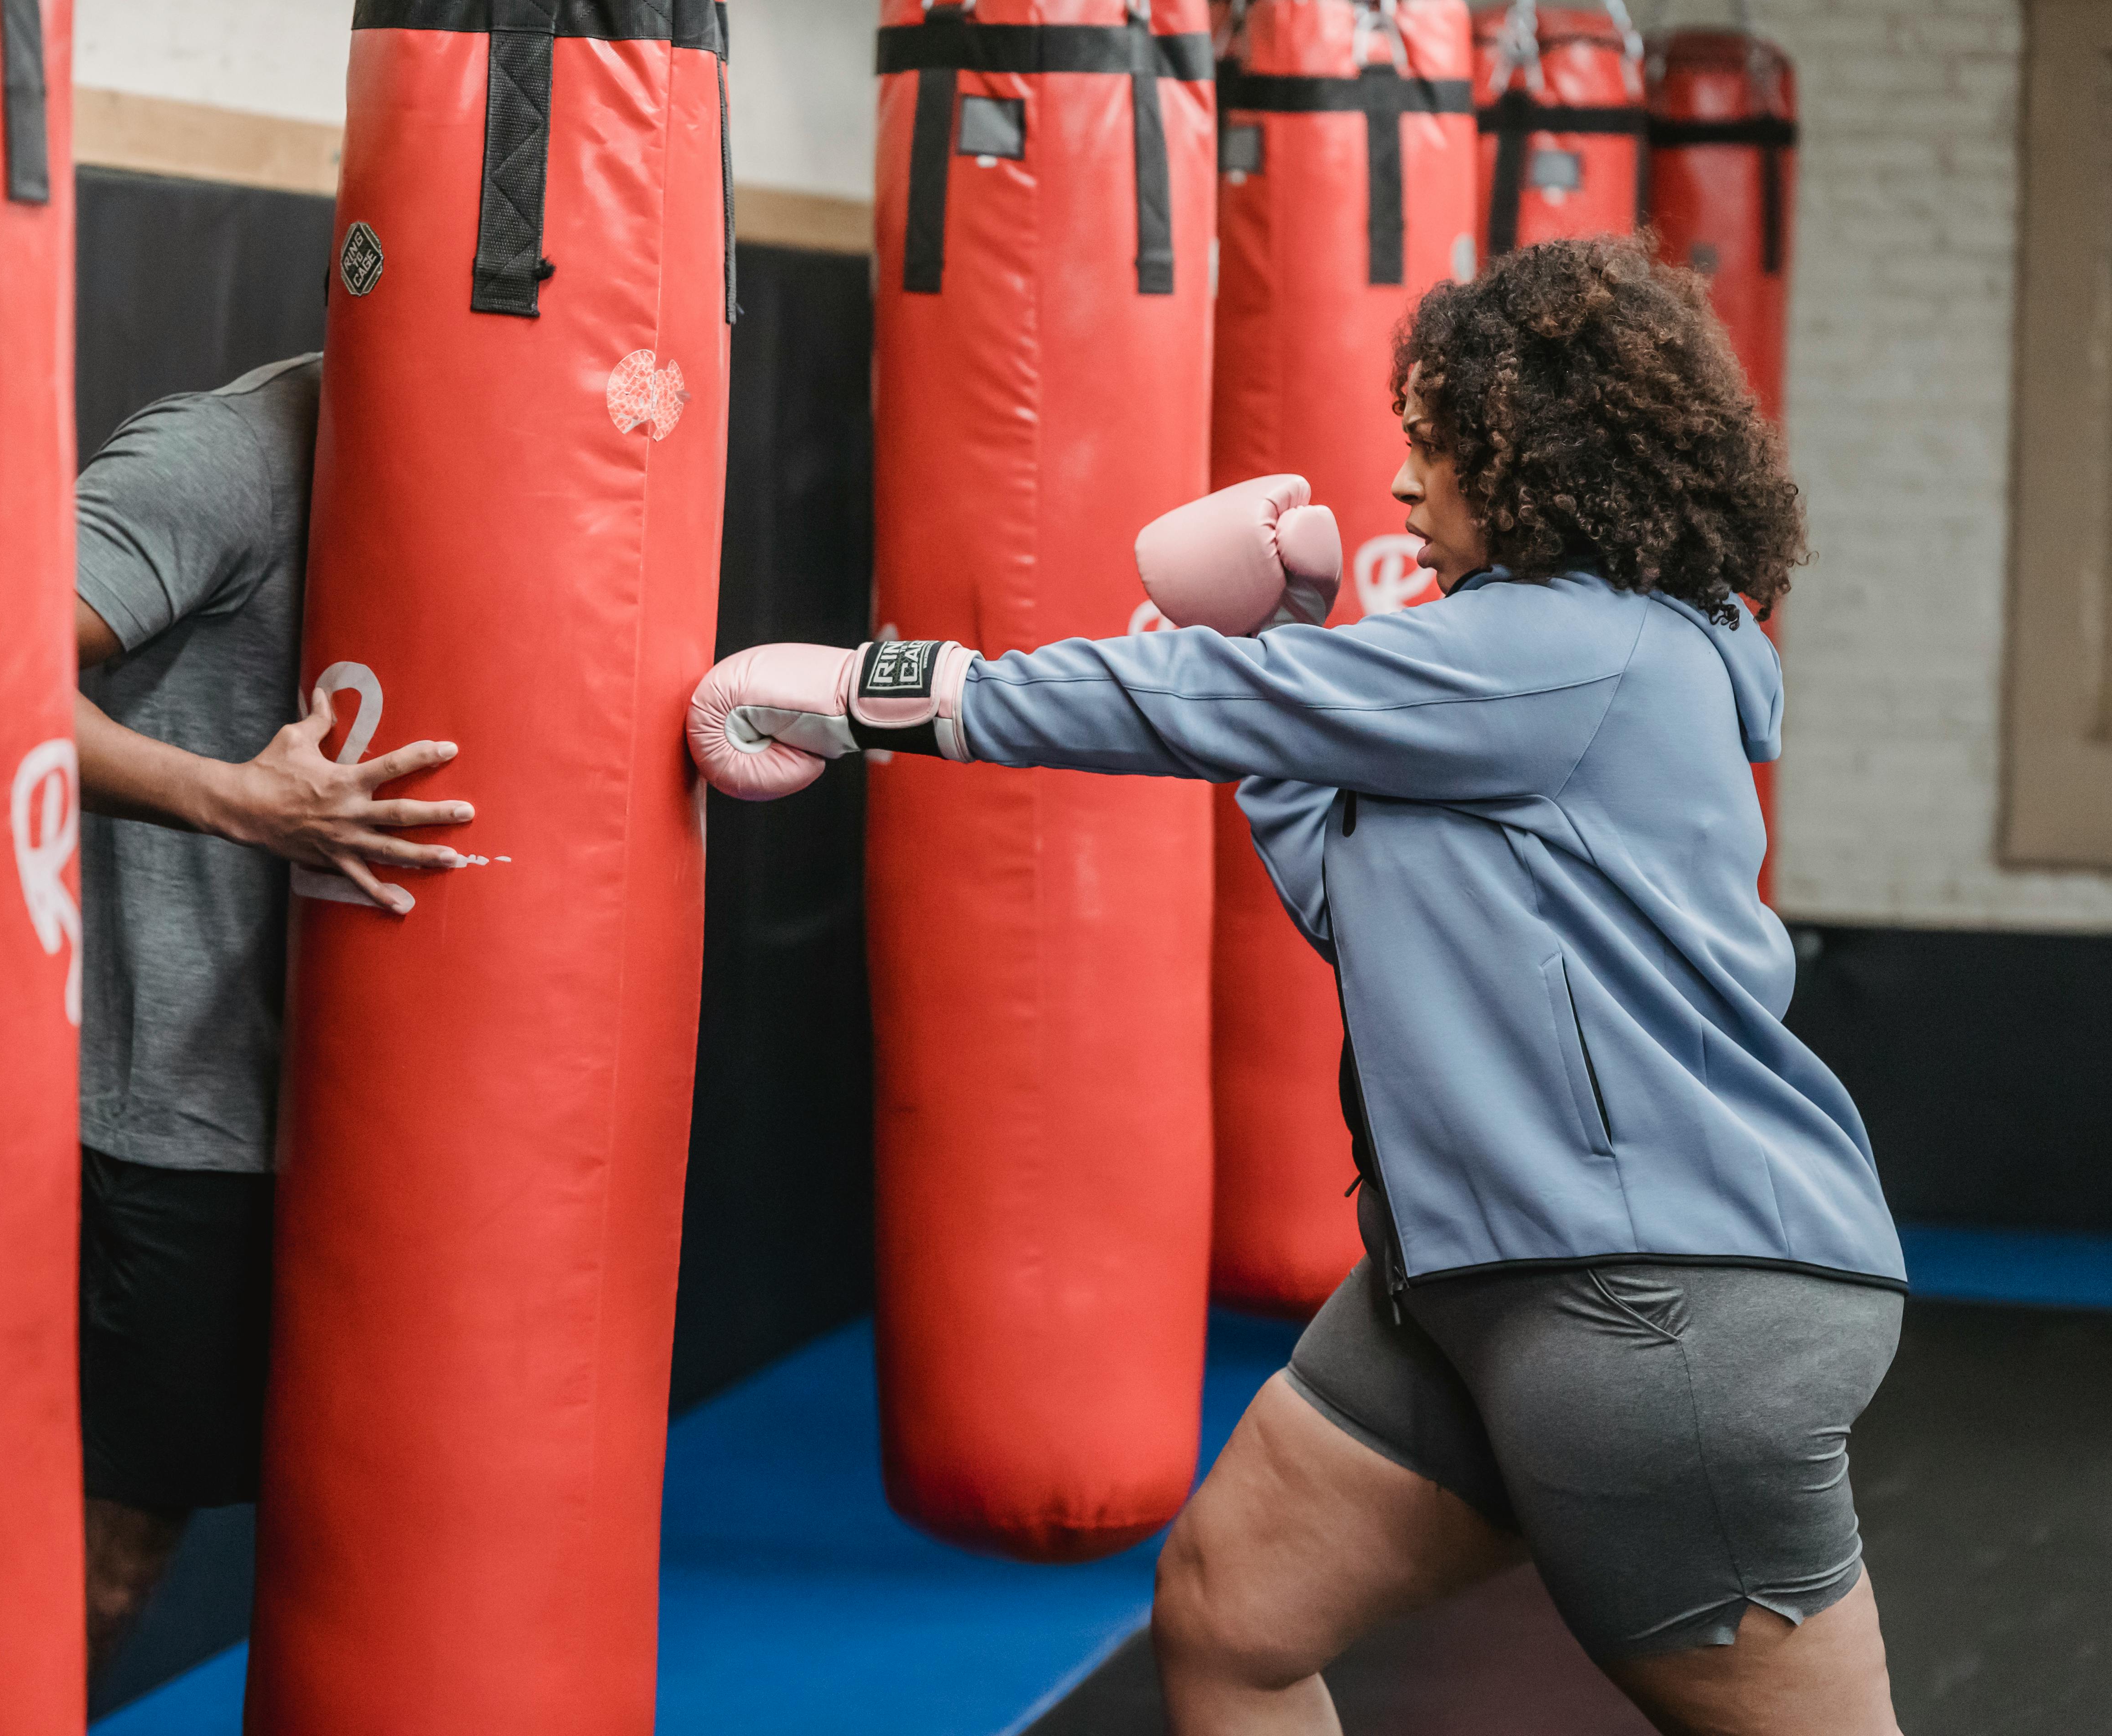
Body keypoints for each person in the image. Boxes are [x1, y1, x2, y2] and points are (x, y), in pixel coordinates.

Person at [689, 236, 1906, 1734]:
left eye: (1439, 449)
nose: (1403, 490)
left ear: (1542, 463)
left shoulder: (1569, 647)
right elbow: (1346, 881)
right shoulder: (1517, 677)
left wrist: (891, 691)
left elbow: (1206, 705)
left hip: (1659, 1304)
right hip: (1471, 1284)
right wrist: (1277, 639)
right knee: (1232, 1618)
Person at [69, 354, 475, 1694]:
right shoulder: (226, 455)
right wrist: (232, 798)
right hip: (169, 1119)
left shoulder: (549, 473)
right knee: (104, 1556)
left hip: (369, 1119)